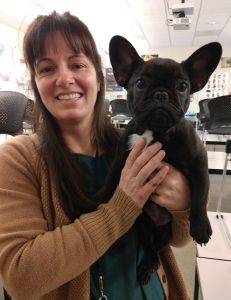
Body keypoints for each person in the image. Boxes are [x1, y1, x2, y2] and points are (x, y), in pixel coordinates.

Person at [0, 11, 192, 300]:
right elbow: (22, 278)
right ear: (37, 84)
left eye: (77, 64)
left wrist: (183, 206)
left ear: (99, 78)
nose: (65, 78)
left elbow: (179, 239)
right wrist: (121, 207)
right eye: (47, 69)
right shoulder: (18, 158)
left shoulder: (135, 145)